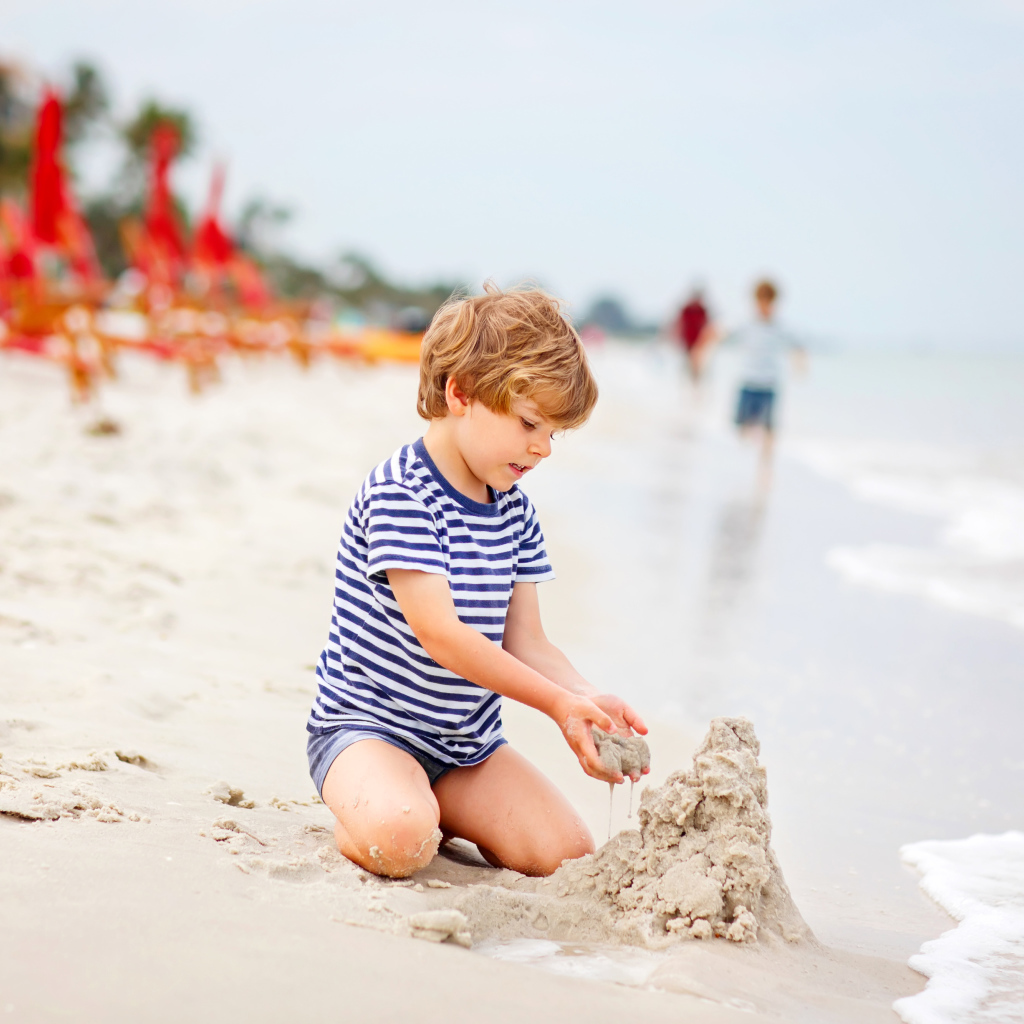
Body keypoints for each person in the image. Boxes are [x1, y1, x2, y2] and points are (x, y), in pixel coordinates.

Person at [306, 283, 649, 879]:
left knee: (567, 854)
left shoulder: (513, 510)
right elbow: (444, 636)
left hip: (465, 749)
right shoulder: (402, 493)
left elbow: (528, 643)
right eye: (529, 424)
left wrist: (585, 697)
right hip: (369, 730)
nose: (542, 449)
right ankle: (375, 809)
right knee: (402, 840)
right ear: (460, 392)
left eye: (554, 435)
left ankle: (434, 804)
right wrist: (554, 705)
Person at [729, 279, 805, 466]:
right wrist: (701, 351)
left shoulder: (780, 327)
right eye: (761, 301)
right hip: (747, 382)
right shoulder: (745, 323)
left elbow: (797, 346)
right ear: (755, 301)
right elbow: (717, 333)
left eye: (769, 302)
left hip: (769, 384)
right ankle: (745, 457)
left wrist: (800, 365)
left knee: (770, 430)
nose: (765, 306)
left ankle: (765, 467)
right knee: (741, 428)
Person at [675, 287, 716, 381]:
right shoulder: (686, 310)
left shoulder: (703, 310)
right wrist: (678, 339)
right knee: (688, 367)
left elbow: (708, 327)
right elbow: (679, 325)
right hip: (688, 342)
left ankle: (697, 387)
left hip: (700, 343)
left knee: (699, 367)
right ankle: (690, 386)